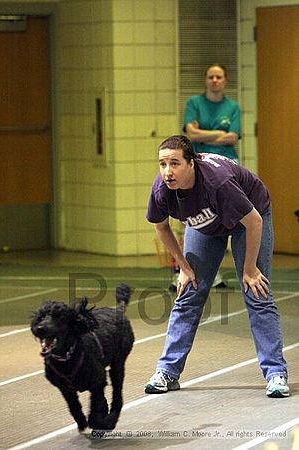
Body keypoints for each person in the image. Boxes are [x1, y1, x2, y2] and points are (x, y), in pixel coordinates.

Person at [144, 135, 289, 399]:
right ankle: (167, 371)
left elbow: (254, 222)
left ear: (192, 163)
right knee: (189, 292)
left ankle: (276, 374)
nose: (167, 171)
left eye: (174, 163)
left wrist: (249, 270)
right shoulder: (162, 189)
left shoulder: (217, 182)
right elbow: (161, 226)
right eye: (162, 164)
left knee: (257, 291)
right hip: (206, 227)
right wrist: (184, 267)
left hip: (249, 217)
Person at [183, 63, 241, 286]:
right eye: (211, 77)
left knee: (225, 216)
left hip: (227, 166)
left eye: (219, 77)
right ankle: (189, 268)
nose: (215, 80)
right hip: (199, 166)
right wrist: (219, 133)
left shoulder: (232, 107)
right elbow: (190, 134)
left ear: (225, 80)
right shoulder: (194, 103)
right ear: (205, 80)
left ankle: (228, 267)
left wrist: (203, 135)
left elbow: (233, 137)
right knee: (195, 215)